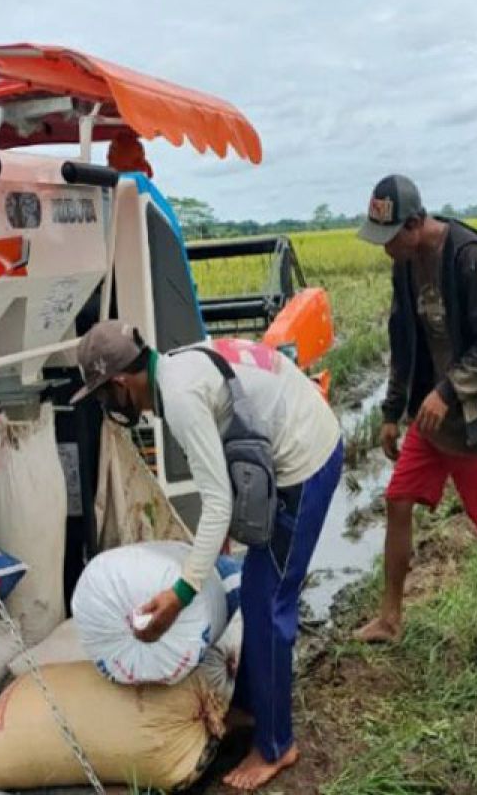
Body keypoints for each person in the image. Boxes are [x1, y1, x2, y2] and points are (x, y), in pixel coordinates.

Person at [70, 322, 342, 791]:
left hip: (305, 460)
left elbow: (216, 502)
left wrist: (180, 592)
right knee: (258, 591)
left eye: (102, 397)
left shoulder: (177, 397)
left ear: (120, 384)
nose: (105, 407)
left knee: (270, 603)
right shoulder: (177, 365)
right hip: (296, 434)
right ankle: (253, 709)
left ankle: (276, 745)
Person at [352, 174, 477, 669]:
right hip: (430, 416)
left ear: (416, 223)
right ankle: (390, 618)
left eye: (391, 236)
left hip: (474, 417)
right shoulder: (405, 263)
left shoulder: (468, 258)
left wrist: (447, 391)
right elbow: (403, 341)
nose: (384, 249)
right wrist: (392, 412)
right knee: (397, 501)